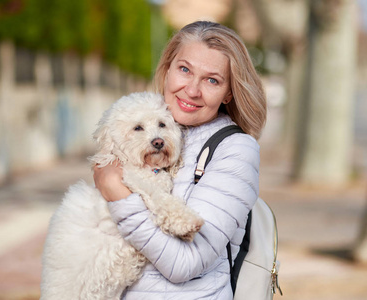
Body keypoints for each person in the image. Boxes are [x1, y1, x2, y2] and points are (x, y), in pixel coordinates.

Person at [93, 21, 267, 299]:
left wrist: (117, 194)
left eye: (212, 80)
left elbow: (185, 264)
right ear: (167, 70)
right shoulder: (141, 127)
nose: (192, 90)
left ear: (229, 93)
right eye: (184, 70)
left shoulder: (236, 150)